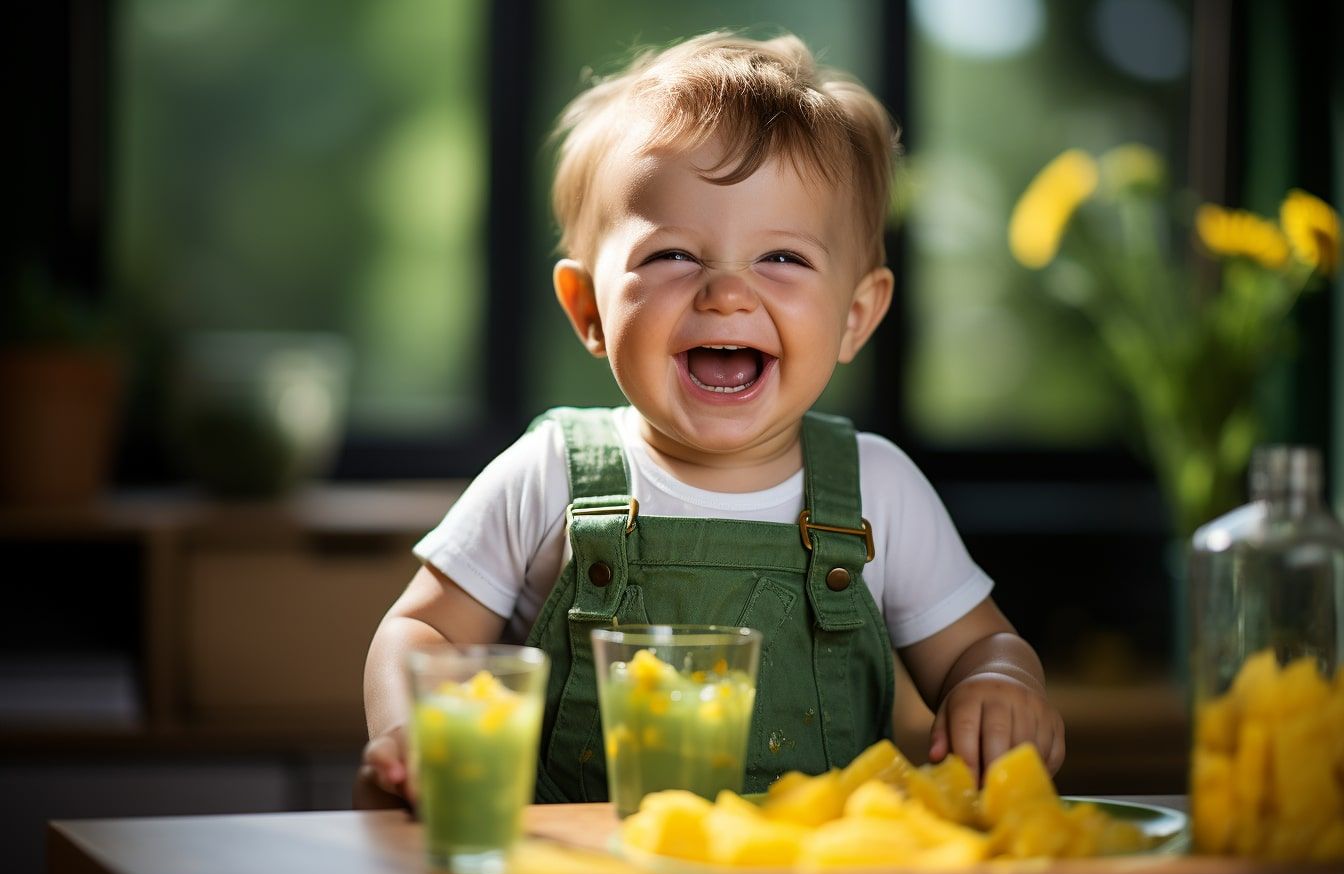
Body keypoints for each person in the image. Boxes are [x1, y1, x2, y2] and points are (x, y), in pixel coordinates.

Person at [358, 30, 1064, 809]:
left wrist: (1000, 683)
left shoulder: (880, 489)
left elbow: (978, 646)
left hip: (817, 863)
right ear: (588, 309)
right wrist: (412, 729)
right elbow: (421, 633)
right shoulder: (549, 473)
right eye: (672, 256)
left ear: (856, 316)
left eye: (782, 259)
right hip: (586, 864)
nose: (727, 294)